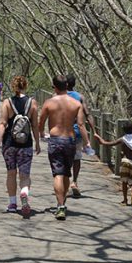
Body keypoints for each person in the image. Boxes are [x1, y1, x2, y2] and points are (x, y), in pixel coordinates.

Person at [36, 74, 87, 220]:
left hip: (55, 140)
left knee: (58, 173)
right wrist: (87, 142)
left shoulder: (49, 103)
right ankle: (62, 201)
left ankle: (60, 205)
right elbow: (81, 124)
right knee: (66, 173)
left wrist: (41, 134)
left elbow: (41, 122)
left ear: (55, 87)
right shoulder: (76, 104)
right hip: (70, 140)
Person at [0, 76, 41, 216]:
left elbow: (2, 123)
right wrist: (37, 143)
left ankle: (12, 204)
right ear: (25, 86)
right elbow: (35, 126)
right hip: (26, 144)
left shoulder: (7, 102)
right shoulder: (33, 103)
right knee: (24, 175)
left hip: (9, 144)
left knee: (11, 173)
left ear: (13, 87)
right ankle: (24, 192)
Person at [97, 122, 132, 207]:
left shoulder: (123, 139)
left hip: (125, 162)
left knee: (124, 181)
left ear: (124, 130)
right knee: (131, 180)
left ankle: (125, 200)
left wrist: (102, 142)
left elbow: (111, 143)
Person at [65, 73, 96, 199]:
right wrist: (94, 131)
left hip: (63, 133)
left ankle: (66, 184)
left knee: (65, 159)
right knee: (77, 158)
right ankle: (74, 182)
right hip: (77, 133)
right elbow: (88, 115)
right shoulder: (80, 97)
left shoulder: (58, 97)